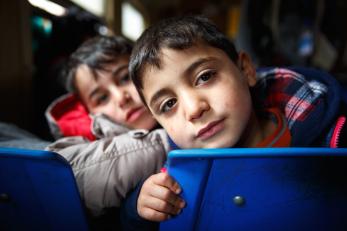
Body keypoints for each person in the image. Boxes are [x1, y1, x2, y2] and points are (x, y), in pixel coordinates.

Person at [121, 15, 347, 229]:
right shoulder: (175, 179)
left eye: (205, 76)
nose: (194, 109)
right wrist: (141, 208)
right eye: (168, 104)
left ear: (245, 70)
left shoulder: (328, 133)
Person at [44, 35, 170, 229]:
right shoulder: (93, 148)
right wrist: (134, 209)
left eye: (125, 77)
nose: (121, 97)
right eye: (102, 98)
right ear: (89, 112)